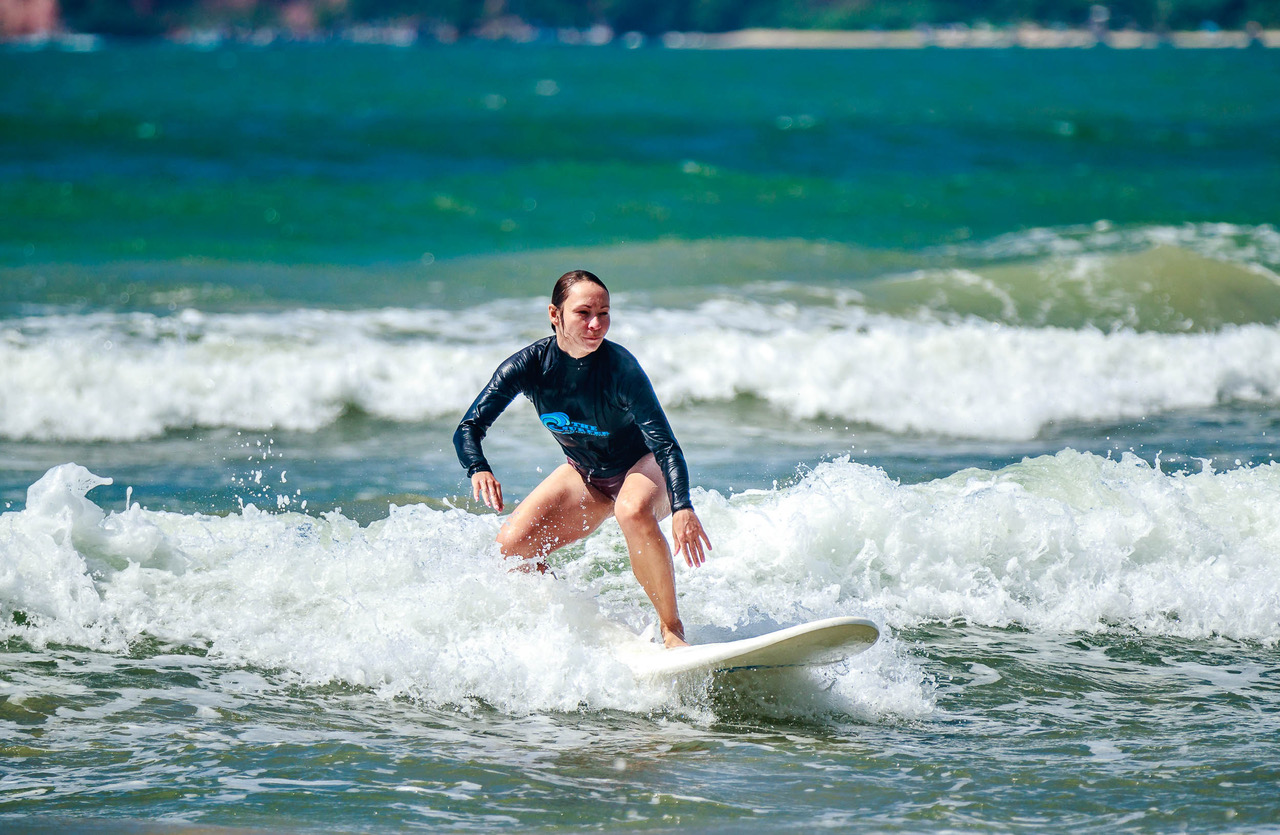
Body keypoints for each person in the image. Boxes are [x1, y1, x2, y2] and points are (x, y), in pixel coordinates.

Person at [454, 270, 712, 648]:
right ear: (555, 314)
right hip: (586, 476)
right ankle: (580, 621)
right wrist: (478, 467)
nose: (596, 324)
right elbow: (469, 427)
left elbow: (666, 445)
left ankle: (672, 630)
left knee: (631, 509)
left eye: (604, 313)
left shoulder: (620, 369)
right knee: (511, 550)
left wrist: (683, 506)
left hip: (641, 467)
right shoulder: (530, 365)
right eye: (584, 313)